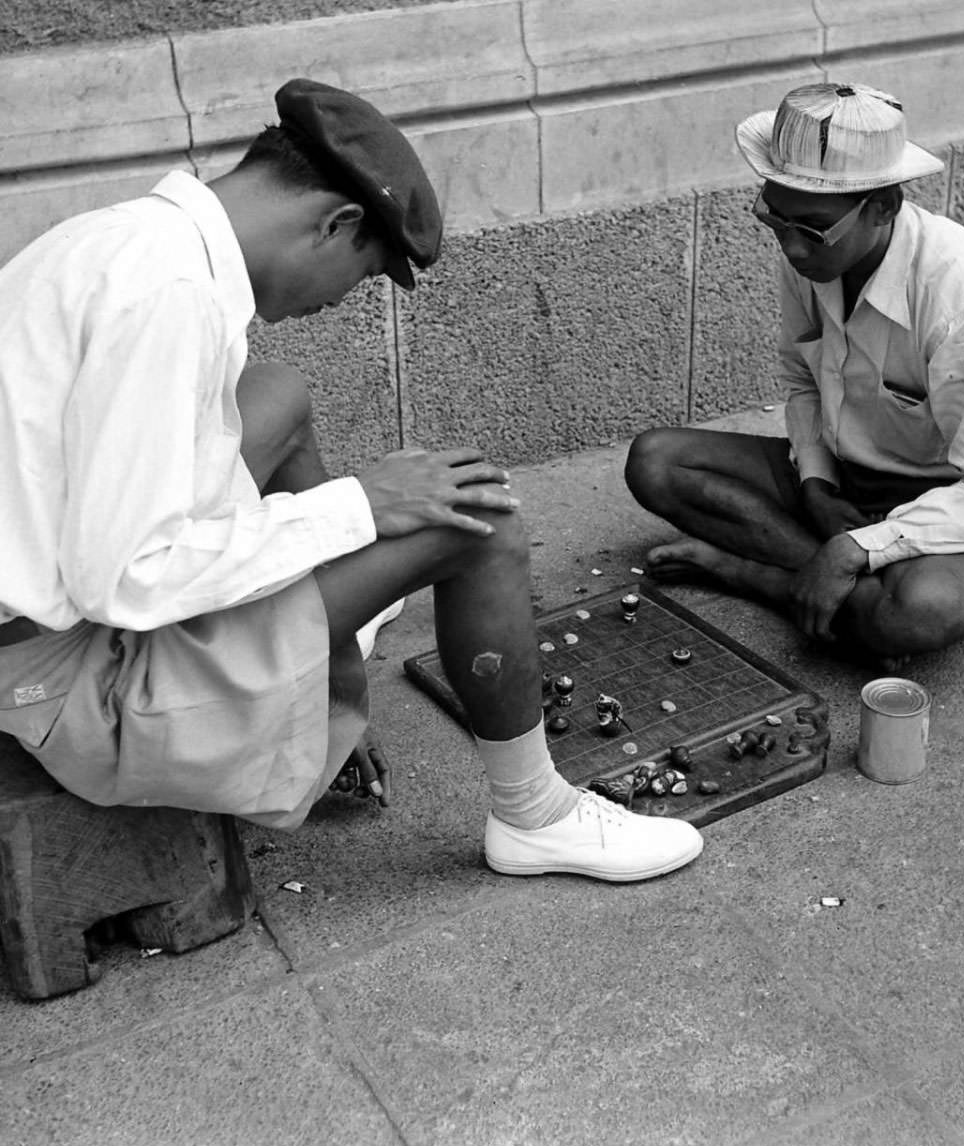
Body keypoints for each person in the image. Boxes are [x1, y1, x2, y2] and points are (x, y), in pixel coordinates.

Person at [0, 78, 702, 883]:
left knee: (276, 395)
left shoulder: (136, 238)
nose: (340, 302)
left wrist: (320, 664)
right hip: (74, 680)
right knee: (478, 520)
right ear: (336, 224)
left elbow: (148, 494)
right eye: (363, 276)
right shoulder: (169, 296)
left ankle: (315, 675)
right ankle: (534, 817)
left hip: (45, 610)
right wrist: (359, 506)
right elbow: (128, 577)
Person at [625, 82, 964, 668]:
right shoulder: (810, 251)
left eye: (811, 229)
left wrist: (859, 546)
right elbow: (802, 381)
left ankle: (764, 577)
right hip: (847, 476)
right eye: (774, 219)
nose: (792, 248)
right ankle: (837, 595)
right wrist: (817, 484)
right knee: (655, 461)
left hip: (954, 497)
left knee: (918, 611)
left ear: (883, 208)